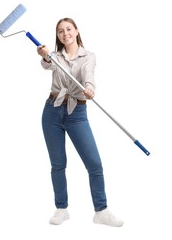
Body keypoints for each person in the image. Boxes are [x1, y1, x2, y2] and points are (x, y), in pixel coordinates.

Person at [37, 17, 123, 227]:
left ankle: (101, 211)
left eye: (68, 29)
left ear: (76, 31)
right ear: (57, 36)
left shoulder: (88, 56)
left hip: (77, 113)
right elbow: (46, 65)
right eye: (60, 31)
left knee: (94, 164)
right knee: (58, 164)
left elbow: (89, 74)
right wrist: (45, 56)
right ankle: (61, 209)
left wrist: (90, 87)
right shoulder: (55, 56)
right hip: (52, 111)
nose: (65, 33)